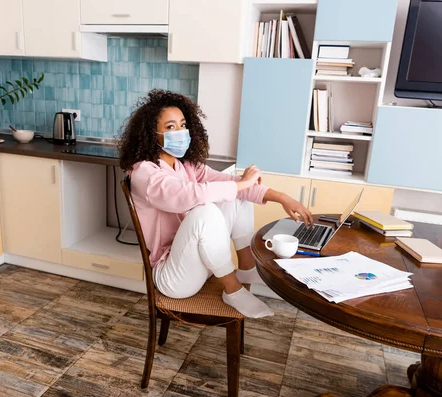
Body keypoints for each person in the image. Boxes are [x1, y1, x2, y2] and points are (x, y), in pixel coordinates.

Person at [118, 89, 313, 318]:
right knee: (206, 210)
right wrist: (241, 184)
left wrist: (282, 197)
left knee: (235, 197)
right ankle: (232, 290)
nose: (180, 132)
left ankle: (247, 270)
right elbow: (189, 195)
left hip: (200, 263)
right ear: (152, 134)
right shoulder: (144, 173)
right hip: (174, 277)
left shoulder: (186, 165)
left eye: (182, 125)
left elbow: (229, 183)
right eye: (170, 127)